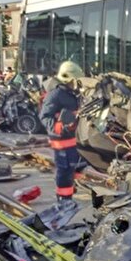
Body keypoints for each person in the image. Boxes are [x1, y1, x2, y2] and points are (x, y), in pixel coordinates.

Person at [40, 61, 85, 201]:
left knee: (78, 165)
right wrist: (61, 127)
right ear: (69, 80)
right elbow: (44, 117)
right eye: (75, 81)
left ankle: (72, 187)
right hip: (62, 143)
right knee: (64, 172)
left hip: (73, 141)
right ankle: (63, 200)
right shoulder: (55, 95)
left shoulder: (71, 93)